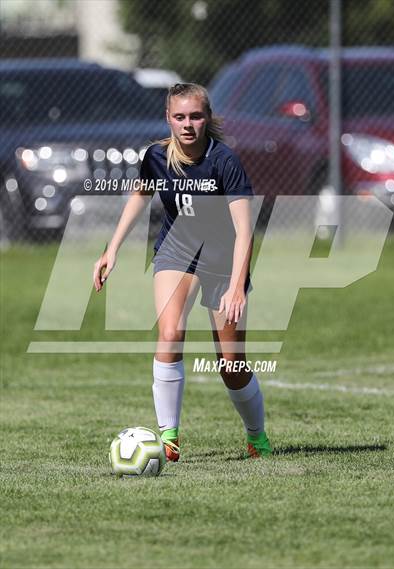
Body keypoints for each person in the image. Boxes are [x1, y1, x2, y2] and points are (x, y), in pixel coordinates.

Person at [93, 83, 272, 460]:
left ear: (207, 118)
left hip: (224, 260)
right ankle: (168, 439)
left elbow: (244, 231)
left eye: (195, 116)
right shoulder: (156, 157)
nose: (187, 124)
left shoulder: (224, 161)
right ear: (168, 119)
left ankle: (256, 436)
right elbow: (141, 195)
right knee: (170, 333)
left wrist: (237, 287)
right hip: (177, 251)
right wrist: (111, 249)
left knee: (231, 365)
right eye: (180, 117)